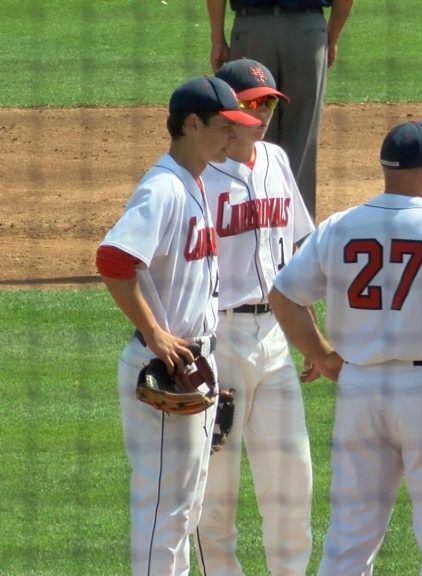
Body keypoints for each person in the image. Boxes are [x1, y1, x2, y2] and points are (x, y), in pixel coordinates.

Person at [268, 119, 422, 575]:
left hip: (360, 391)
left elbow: (283, 295)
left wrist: (322, 355)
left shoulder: (340, 226)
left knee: (348, 538)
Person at [95, 76, 260, 575]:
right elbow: (113, 258)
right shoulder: (163, 188)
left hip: (191, 364)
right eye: (223, 127)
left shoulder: (194, 182)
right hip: (165, 366)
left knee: (182, 511)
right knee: (164, 514)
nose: (232, 138)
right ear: (191, 124)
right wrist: (155, 333)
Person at [191, 58, 316, 576]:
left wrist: (308, 335)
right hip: (219, 339)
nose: (261, 113)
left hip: (276, 337)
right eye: (250, 103)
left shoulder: (277, 160)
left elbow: (298, 251)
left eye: (267, 103)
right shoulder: (196, 177)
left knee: (293, 483)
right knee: (215, 495)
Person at [206, 0, 356, 218]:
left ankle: (242, 221)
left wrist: (217, 38)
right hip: (307, 32)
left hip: (252, 30)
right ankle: (296, 236)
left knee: (247, 130)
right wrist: (331, 38)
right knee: (302, 135)